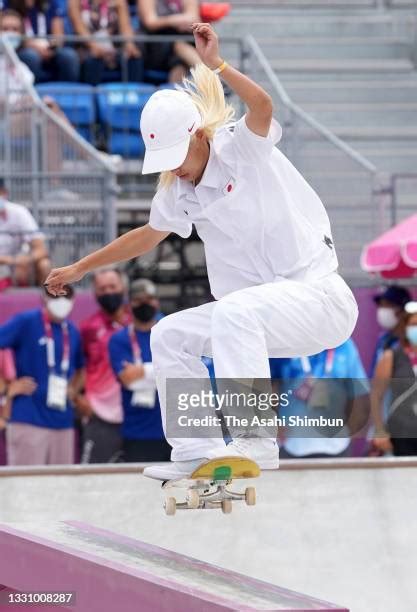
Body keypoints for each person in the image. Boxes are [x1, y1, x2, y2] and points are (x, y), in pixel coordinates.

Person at [44, 23, 358, 481]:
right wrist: (79, 267)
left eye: (178, 157)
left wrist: (218, 66)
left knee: (234, 312)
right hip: (262, 318)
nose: (175, 170)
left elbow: (263, 106)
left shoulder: (238, 147)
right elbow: (146, 235)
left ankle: (255, 441)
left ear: (197, 134)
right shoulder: (178, 188)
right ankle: (198, 447)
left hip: (318, 299)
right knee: (169, 335)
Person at [0, 285, 84, 465]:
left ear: (73, 299)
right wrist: (7, 387)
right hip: (29, 419)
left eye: (66, 294)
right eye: (55, 293)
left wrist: (73, 390)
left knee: (61, 486)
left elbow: (81, 369)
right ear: (44, 297)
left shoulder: (73, 331)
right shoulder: (26, 321)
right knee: (26, 486)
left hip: (63, 422)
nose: (61, 299)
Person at [109, 278, 171, 461]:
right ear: (129, 304)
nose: (145, 304)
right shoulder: (120, 339)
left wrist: (142, 371)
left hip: (174, 430)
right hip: (138, 431)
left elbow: (180, 376)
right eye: (138, 299)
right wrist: (161, 371)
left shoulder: (171, 332)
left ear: (157, 301)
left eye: (150, 298)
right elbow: (128, 380)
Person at [279, 339, 369, 459]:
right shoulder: (285, 343)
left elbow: (359, 396)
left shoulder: (345, 346)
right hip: (291, 445)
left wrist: (350, 434)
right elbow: (268, 387)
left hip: (338, 447)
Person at [78, 267, 131, 463]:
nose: (108, 292)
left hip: (136, 414)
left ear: (123, 289)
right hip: (99, 416)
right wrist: (78, 398)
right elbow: (77, 366)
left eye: (112, 286)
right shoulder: (87, 328)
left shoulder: (141, 322)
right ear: (95, 293)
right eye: (102, 289)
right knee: (92, 479)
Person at [371, 301, 417, 457]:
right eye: (413, 324)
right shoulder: (391, 356)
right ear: (405, 327)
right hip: (402, 434)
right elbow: (376, 396)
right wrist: (379, 430)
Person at [68, 0, 143, 85]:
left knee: (133, 57)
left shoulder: (119, 2)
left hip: (113, 47)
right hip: (86, 46)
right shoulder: (76, 2)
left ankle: (133, 94)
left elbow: (126, 27)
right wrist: (94, 46)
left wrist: (130, 44)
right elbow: (79, 28)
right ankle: (92, 95)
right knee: (94, 58)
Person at [5, 0, 80, 82]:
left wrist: (51, 47)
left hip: (48, 47)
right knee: (31, 56)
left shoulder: (50, 3)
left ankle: (69, 92)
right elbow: (10, 30)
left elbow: (58, 35)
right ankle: (32, 92)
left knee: (69, 56)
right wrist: (33, 46)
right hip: (22, 47)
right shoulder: (10, 3)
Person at [0, 178, 51, 289]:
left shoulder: (19, 212)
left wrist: (22, 260)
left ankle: (48, 301)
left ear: (4, 193)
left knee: (44, 265)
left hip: (14, 266)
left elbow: (41, 250)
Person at [138, 0, 200, 82]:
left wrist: (184, 23)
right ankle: (211, 77)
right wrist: (174, 21)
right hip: (155, 44)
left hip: (182, 41)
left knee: (179, 64)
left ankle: (210, 79)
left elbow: (194, 19)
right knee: (178, 44)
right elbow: (150, 22)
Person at [370, 285, 411, 376]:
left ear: (402, 310)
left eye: (388, 305)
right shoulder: (383, 339)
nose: (382, 310)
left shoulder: (412, 340)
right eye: (381, 305)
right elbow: (373, 376)